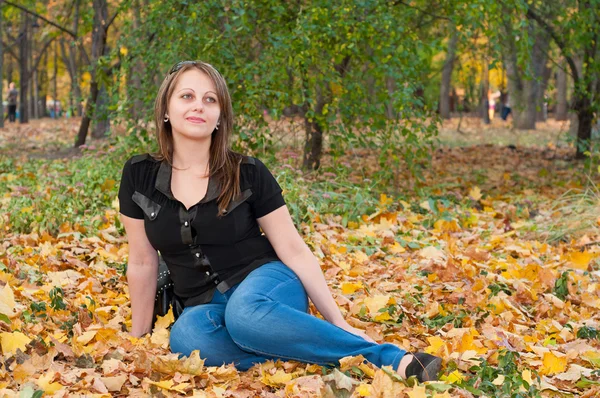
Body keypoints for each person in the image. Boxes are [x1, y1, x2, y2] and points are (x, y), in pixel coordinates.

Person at [117, 60, 442, 382]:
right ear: (165, 109)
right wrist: (137, 337)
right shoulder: (139, 175)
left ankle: (387, 358)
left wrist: (338, 320)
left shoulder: (248, 172)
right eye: (186, 96)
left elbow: (293, 249)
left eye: (210, 99)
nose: (198, 106)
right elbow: (143, 261)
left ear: (219, 117)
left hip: (268, 283)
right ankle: (294, 345)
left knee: (243, 315)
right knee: (189, 340)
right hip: (202, 305)